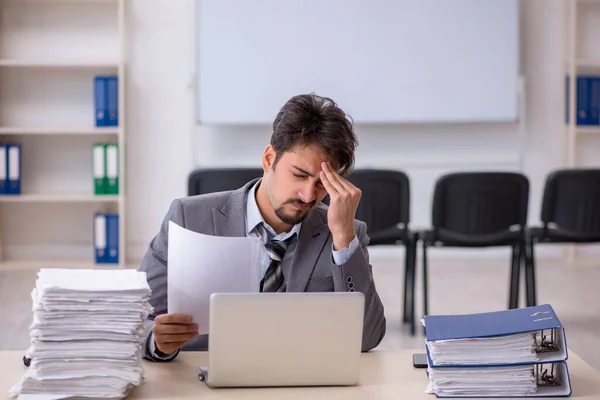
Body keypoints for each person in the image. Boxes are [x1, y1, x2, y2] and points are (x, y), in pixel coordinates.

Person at [139, 93, 386, 361]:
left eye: (322, 183)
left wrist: (343, 238)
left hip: (299, 379)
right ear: (269, 159)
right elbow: (135, 319)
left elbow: (366, 338)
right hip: (203, 380)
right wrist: (157, 339)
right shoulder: (187, 218)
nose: (307, 195)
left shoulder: (344, 233)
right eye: (299, 175)